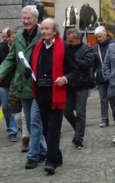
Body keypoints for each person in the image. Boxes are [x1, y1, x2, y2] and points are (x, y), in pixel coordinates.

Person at [0, 5, 47, 169]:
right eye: (23, 18)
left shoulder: (43, 33)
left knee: (33, 121)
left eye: (29, 18)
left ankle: (32, 156)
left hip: (38, 84)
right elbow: (11, 58)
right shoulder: (18, 35)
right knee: (32, 121)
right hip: (22, 85)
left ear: (36, 19)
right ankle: (44, 150)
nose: (25, 21)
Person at [30, 18, 79, 175]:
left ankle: (51, 161)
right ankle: (57, 156)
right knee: (45, 129)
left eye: (47, 29)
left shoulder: (64, 47)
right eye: (42, 29)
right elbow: (33, 67)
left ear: (54, 31)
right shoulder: (38, 47)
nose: (43, 31)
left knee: (53, 130)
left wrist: (64, 79)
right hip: (41, 94)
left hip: (57, 95)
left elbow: (75, 71)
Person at [64, 28, 94, 149]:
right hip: (69, 85)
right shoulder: (66, 48)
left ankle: (79, 138)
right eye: (68, 40)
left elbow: (87, 64)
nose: (69, 43)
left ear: (78, 39)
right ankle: (78, 129)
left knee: (80, 112)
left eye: (71, 41)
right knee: (67, 112)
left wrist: (72, 61)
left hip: (82, 85)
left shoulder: (87, 49)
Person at [0, 28, 19, 142]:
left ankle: (13, 130)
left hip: (16, 82)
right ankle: (10, 126)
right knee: (5, 107)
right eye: (13, 37)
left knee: (14, 106)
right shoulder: (1, 49)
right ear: (8, 38)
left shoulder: (20, 48)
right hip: (3, 83)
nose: (15, 39)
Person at [93, 26, 115, 127]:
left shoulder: (113, 45)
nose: (98, 39)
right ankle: (104, 119)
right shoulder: (95, 48)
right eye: (97, 37)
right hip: (100, 76)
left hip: (112, 75)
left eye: (100, 37)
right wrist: (93, 75)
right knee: (103, 98)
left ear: (105, 35)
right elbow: (94, 64)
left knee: (112, 97)